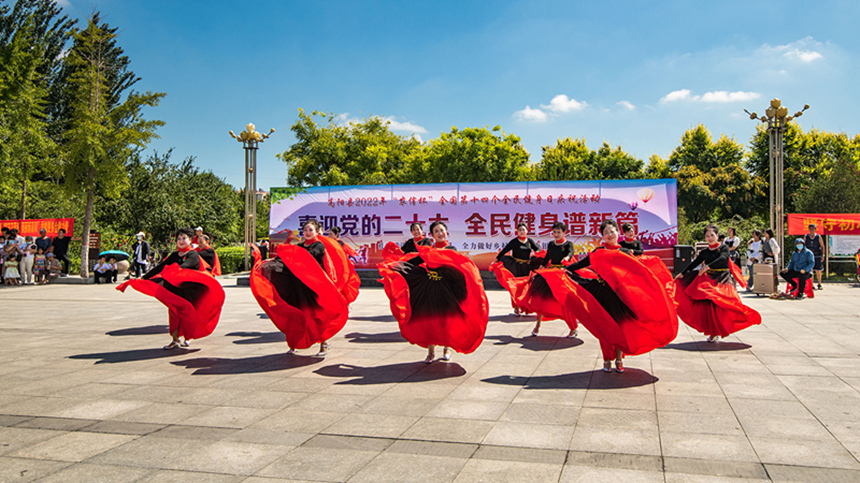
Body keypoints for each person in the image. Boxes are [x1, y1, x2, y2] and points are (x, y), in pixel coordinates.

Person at [539, 220, 677, 373]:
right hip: (603, 292)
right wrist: (564, 271)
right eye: (606, 233)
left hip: (620, 295)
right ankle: (606, 360)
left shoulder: (625, 252)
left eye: (612, 231)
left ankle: (618, 359)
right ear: (602, 236)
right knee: (604, 327)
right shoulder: (598, 252)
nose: (610, 235)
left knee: (621, 327)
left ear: (618, 233)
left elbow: (638, 271)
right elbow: (581, 264)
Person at [378, 220, 489, 364]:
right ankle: (430, 352)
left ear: (446, 232)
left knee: (446, 321)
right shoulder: (428, 250)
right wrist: (393, 266)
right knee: (430, 321)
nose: (440, 233)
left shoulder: (452, 249)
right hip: (429, 289)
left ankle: (446, 349)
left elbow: (462, 268)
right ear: (432, 235)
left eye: (442, 230)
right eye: (437, 231)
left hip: (447, 291)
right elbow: (413, 262)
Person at [250, 219, 349, 356]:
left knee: (317, 316)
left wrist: (292, 254)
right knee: (297, 314)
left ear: (316, 231)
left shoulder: (319, 246)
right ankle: (295, 342)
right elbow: (285, 259)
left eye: (311, 230)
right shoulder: (300, 246)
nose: (308, 233)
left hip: (314, 287)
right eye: (306, 230)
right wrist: (268, 264)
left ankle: (324, 343)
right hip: (298, 285)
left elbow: (308, 257)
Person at [117, 227, 226, 350]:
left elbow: (184, 267)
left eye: (184, 238)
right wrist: (144, 278)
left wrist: (172, 270)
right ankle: (174, 340)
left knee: (188, 314)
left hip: (190, 291)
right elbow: (160, 267)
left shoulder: (193, 254)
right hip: (174, 289)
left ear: (190, 240)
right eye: (179, 238)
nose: (181, 241)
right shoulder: (174, 255)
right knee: (174, 313)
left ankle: (187, 337)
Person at [674, 224, 761, 342]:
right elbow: (694, 263)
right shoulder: (705, 252)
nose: (710, 238)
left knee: (727, 302)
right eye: (707, 236)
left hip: (723, 279)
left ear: (717, 236)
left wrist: (708, 266)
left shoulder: (723, 248)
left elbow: (723, 258)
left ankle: (744, 317)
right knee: (711, 307)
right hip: (710, 279)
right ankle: (713, 332)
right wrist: (682, 273)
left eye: (712, 235)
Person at [518, 222, 575, 337]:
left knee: (566, 303)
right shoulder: (551, 244)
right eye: (554, 232)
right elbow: (548, 256)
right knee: (541, 299)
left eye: (559, 232)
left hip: (562, 274)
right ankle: (537, 327)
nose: (556, 234)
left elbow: (570, 252)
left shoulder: (568, 244)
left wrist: (567, 257)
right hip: (551, 274)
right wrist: (542, 267)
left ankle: (573, 328)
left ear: (564, 232)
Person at [493, 223, 540, 316]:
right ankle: (517, 307)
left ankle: (526, 307)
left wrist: (539, 254)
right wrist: (496, 260)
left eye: (523, 230)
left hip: (527, 267)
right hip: (516, 267)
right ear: (517, 231)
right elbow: (504, 250)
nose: (522, 232)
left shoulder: (530, 241)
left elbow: (537, 249)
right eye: (520, 230)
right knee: (516, 287)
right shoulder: (514, 241)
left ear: (527, 231)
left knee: (526, 288)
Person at [804, 224, 824, 290]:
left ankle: (819, 283)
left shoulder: (818, 237)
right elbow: (803, 245)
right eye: (810, 228)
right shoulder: (806, 236)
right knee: (810, 270)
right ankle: (811, 284)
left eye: (813, 228)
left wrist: (823, 255)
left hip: (817, 254)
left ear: (815, 229)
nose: (812, 230)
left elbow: (822, 246)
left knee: (818, 270)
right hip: (809, 255)